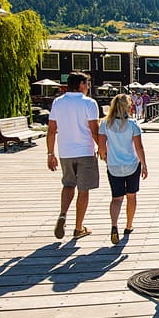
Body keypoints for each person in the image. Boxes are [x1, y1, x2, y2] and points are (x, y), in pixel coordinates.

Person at [46, 71, 102, 240]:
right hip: (85, 151)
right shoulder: (89, 103)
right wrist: (103, 149)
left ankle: (63, 214)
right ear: (81, 85)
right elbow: (94, 130)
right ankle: (78, 228)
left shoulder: (58, 102)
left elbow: (51, 131)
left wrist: (50, 154)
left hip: (65, 152)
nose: (88, 87)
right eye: (87, 84)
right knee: (83, 190)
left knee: (68, 185)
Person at [98, 93, 149, 244]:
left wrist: (106, 158)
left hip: (114, 166)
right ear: (128, 107)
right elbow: (139, 147)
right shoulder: (133, 125)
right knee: (131, 196)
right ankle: (128, 225)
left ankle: (114, 225)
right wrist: (144, 165)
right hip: (132, 165)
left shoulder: (105, 124)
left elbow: (101, 148)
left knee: (116, 198)